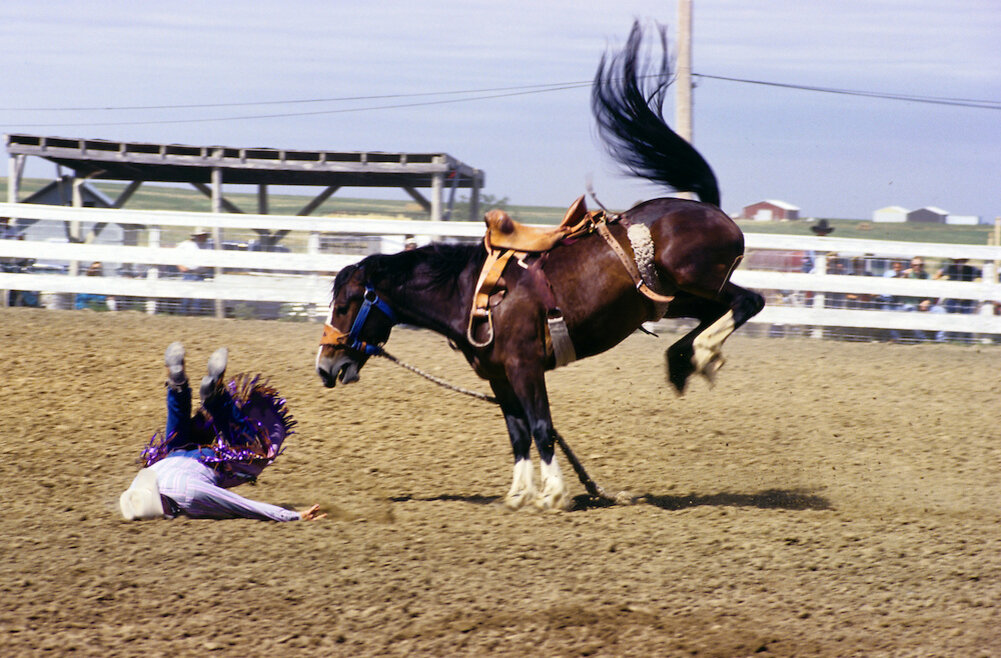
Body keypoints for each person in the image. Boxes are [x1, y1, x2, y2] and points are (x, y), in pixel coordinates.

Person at [119, 343, 326, 522]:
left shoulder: (188, 496)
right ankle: (177, 387)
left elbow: (240, 505)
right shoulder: (140, 483)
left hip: (205, 462)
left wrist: (293, 516)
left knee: (255, 452)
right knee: (175, 440)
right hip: (166, 459)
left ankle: (217, 399)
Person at [175, 228, 210, 315]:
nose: (203, 237)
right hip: (189, 272)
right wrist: (180, 265)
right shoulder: (186, 244)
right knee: (186, 295)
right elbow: (175, 254)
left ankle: (195, 313)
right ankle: (184, 313)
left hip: (200, 273)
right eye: (201, 235)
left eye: (204, 235)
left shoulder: (207, 245)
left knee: (198, 297)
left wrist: (208, 266)